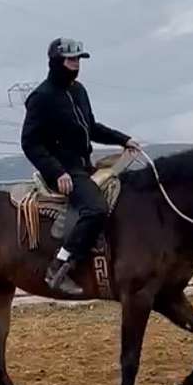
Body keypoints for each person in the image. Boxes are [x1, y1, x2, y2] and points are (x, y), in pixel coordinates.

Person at [21, 37, 141, 296]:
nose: (75, 65)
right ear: (56, 62)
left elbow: (92, 127)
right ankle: (60, 265)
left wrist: (124, 139)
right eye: (70, 59)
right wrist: (57, 172)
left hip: (85, 166)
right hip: (63, 171)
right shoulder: (41, 98)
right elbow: (30, 143)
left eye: (78, 59)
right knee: (95, 209)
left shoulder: (79, 91)